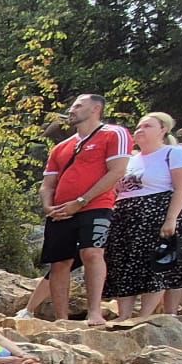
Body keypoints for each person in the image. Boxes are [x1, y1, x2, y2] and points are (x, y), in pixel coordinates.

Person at [22, 93, 132, 323]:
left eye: (78, 106)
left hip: (96, 205)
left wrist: (81, 201)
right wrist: (47, 206)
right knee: (60, 261)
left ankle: (94, 312)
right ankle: (62, 318)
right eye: (72, 106)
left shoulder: (114, 133)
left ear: (96, 109)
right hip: (60, 209)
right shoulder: (61, 147)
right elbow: (48, 184)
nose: (72, 110)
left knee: (92, 252)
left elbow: (117, 171)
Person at [106, 112, 182, 320]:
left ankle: (145, 315)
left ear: (163, 130)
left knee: (155, 265)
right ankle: (124, 314)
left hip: (156, 213)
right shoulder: (131, 159)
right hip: (125, 215)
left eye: (147, 126)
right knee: (123, 264)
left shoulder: (173, 153)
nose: (140, 130)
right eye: (138, 126)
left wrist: (171, 218)